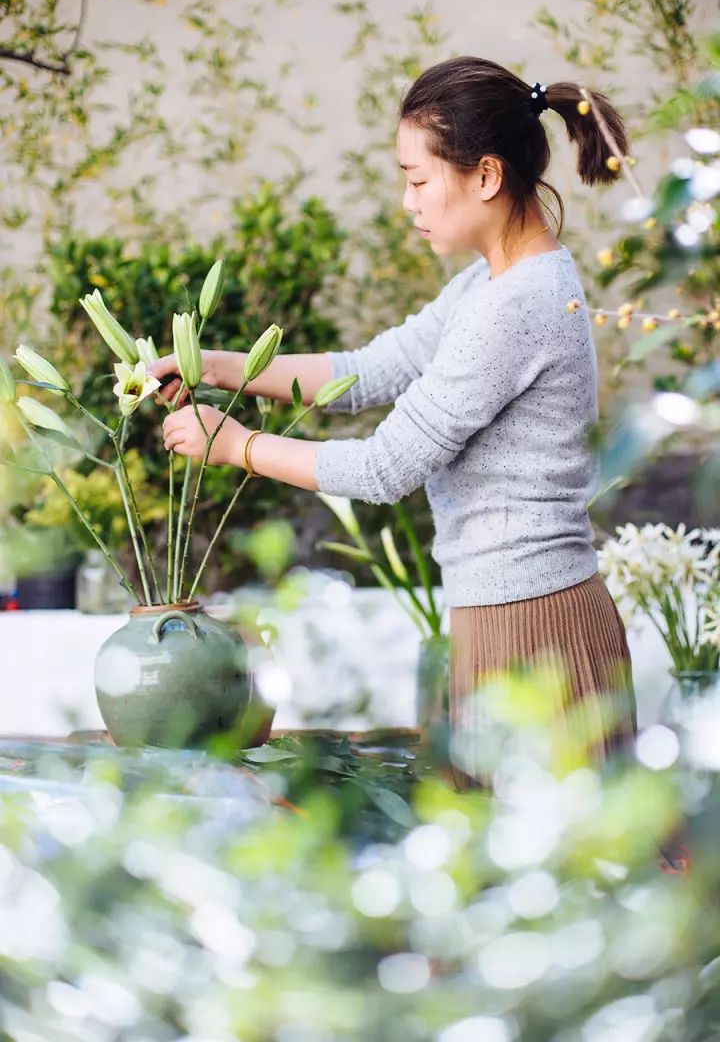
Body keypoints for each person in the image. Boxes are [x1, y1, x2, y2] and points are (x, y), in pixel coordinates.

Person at [152, 56, 637, 786]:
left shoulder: (518, 307)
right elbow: (369, 370)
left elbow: (384, 468)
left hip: (536, 629)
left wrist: (235, 444)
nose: (407, 202)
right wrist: (217, 365)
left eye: (417, 180)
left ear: (484, 175)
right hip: (502, 613)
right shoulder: (492, 283)